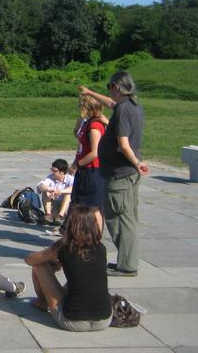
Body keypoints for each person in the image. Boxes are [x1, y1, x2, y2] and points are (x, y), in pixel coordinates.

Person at [81, 71, 148, 277]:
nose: (109, 91)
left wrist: (137, 163)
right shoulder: (132, 105)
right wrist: (90, 92)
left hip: (120, 174)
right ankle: (125, 261)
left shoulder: (123, 111)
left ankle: (127, 266)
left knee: (120, 220)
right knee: (125, 218)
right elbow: (110, 103)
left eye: (110, 87)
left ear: (117, 87)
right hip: (125, 173)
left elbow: (124, 144)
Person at [24, 204, 112, 331]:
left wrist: (51, 261)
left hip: (72, 321)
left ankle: (42, 302)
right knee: (84, 279)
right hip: (104, 320)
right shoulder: (101, 248)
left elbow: (30, 260)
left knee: (39, 265)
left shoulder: (63, 247)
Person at [70, 95, 107, 219]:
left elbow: (94, 152)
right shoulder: (87, 122)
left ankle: (96, 231)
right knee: (80, 205)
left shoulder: (94, 126)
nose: (79, 108)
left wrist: (77, 164)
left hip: (92, 170)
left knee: (94, 207)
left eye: (81, 105)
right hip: (85, 169)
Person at [37, 159, 74, 226]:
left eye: (54, 171)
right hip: (54, 207)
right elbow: (40, 186)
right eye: (52, 170)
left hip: (66, 209)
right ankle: (48, 215)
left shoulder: (70, 179)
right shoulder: (50, 178)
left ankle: (60, 216)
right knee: (45, 192)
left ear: (62, 172)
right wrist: (49, 189)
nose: (52, 172)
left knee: (68, 194)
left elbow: (74, 188)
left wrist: (61, 192)